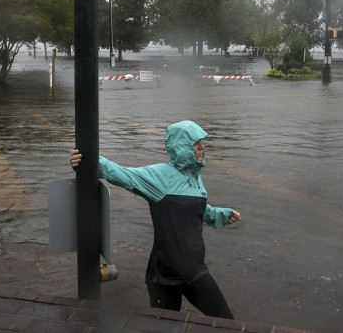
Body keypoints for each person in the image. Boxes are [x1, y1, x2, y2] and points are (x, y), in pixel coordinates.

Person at [69, 120, 241, 319]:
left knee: (226, 323)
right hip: (164, 276)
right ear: (182, 147)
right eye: (196, 143)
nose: (202, 146)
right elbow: (120, 173)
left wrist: (220, 214)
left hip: (195, 271)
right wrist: (85, 160)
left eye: (202, 142)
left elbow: (196, 209)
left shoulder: (195, 177)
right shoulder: (159, 176)